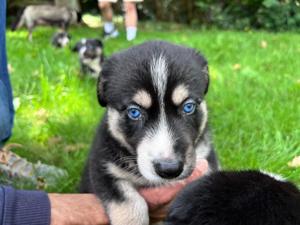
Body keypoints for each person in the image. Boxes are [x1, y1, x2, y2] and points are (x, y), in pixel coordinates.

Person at [0, 2, 208, 225]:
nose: (168, 156)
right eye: (135, 112)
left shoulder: (201, 146)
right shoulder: (109, 154)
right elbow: (104, 175)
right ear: (104, 93)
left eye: (188, 107)